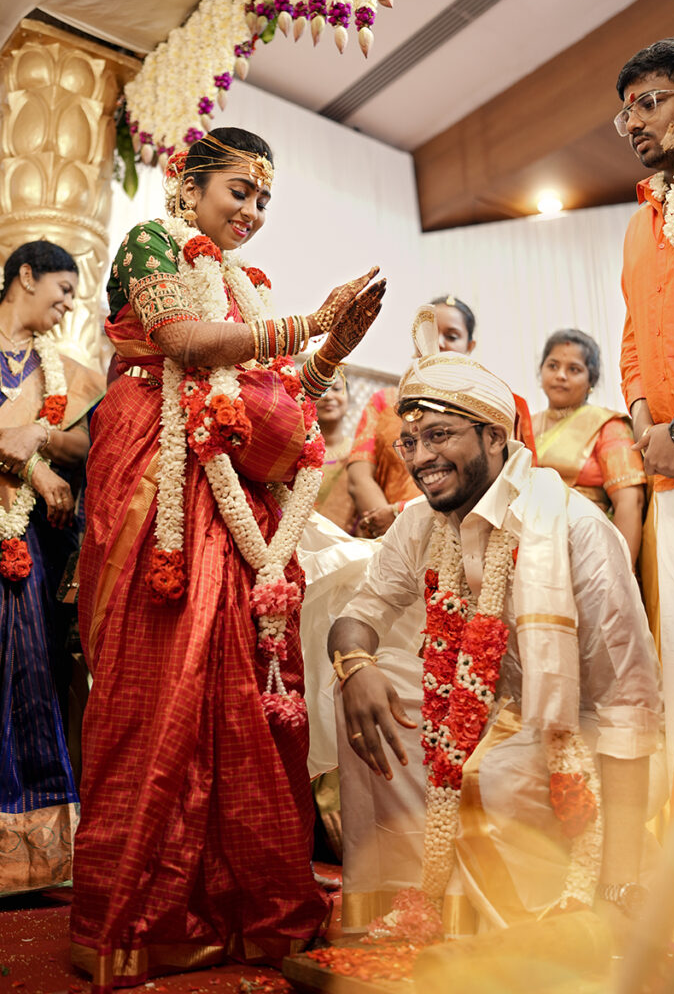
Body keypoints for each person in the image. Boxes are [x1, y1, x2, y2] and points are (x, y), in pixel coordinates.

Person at [71, 127, 385, 986]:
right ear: (189, 184)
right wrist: (305, 324)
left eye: (262, 200)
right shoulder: (153, 243)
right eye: (238, 191)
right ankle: (136, 915)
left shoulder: (244, 290)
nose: (250, 211)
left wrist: (327, 355)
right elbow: (184, 345)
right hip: (155, 481)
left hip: (232, 497)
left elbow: (276, 411)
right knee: (159, 682)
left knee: (241, 683)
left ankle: (244, 909)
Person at [329, 306, 663, 940]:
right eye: (411, 441)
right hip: (475, 710)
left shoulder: (576, 529)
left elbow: (627, 706)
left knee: (492, 772)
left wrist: (619, 881)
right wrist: (354, 667)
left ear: (493, 437)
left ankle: (532, 913)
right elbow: (360, 613)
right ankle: (416, 895)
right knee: (370, 699)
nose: (421, 457)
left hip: (571, 730)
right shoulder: (422, 522)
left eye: (441, 436)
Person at [0, 240, 103, 895]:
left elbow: (88, 446)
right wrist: (28, 462)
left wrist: (38, 437)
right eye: (62, 288)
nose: (69, 303)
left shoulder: (66, 369)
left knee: (26, 678)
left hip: (24, 545)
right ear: (25, 274)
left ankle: (27, 866)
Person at [615, 37, 674, 783]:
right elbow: (632, 336)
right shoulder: (638, 220)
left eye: (650, 103)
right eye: (625, 112)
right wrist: (643, 429)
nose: (633, 123)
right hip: (665, 471)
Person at [347, 296, 478, 539]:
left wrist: (400, 514)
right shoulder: (385, 402)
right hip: (384, 540)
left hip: (460, 535)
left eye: (451, 336)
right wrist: (392, 534)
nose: (438, 343)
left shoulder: (481, 405)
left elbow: (479, 482)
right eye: (428, 333)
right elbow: (359, 478)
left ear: (469, 347)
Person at [532, 328, 645, 566]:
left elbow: (630, 502)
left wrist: (620, 571)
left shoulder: (607, 426)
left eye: (574, 369)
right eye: (552, 365)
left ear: (591, 380)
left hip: (588, 550)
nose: (561, 375)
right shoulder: (525, 425)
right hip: (528, 548)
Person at [314, 373, 356, 535]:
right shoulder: (296, 450)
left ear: (350, 400)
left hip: (342, 547)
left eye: (337, 389)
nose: (329, 396)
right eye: (321, 390)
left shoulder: (358, 454)